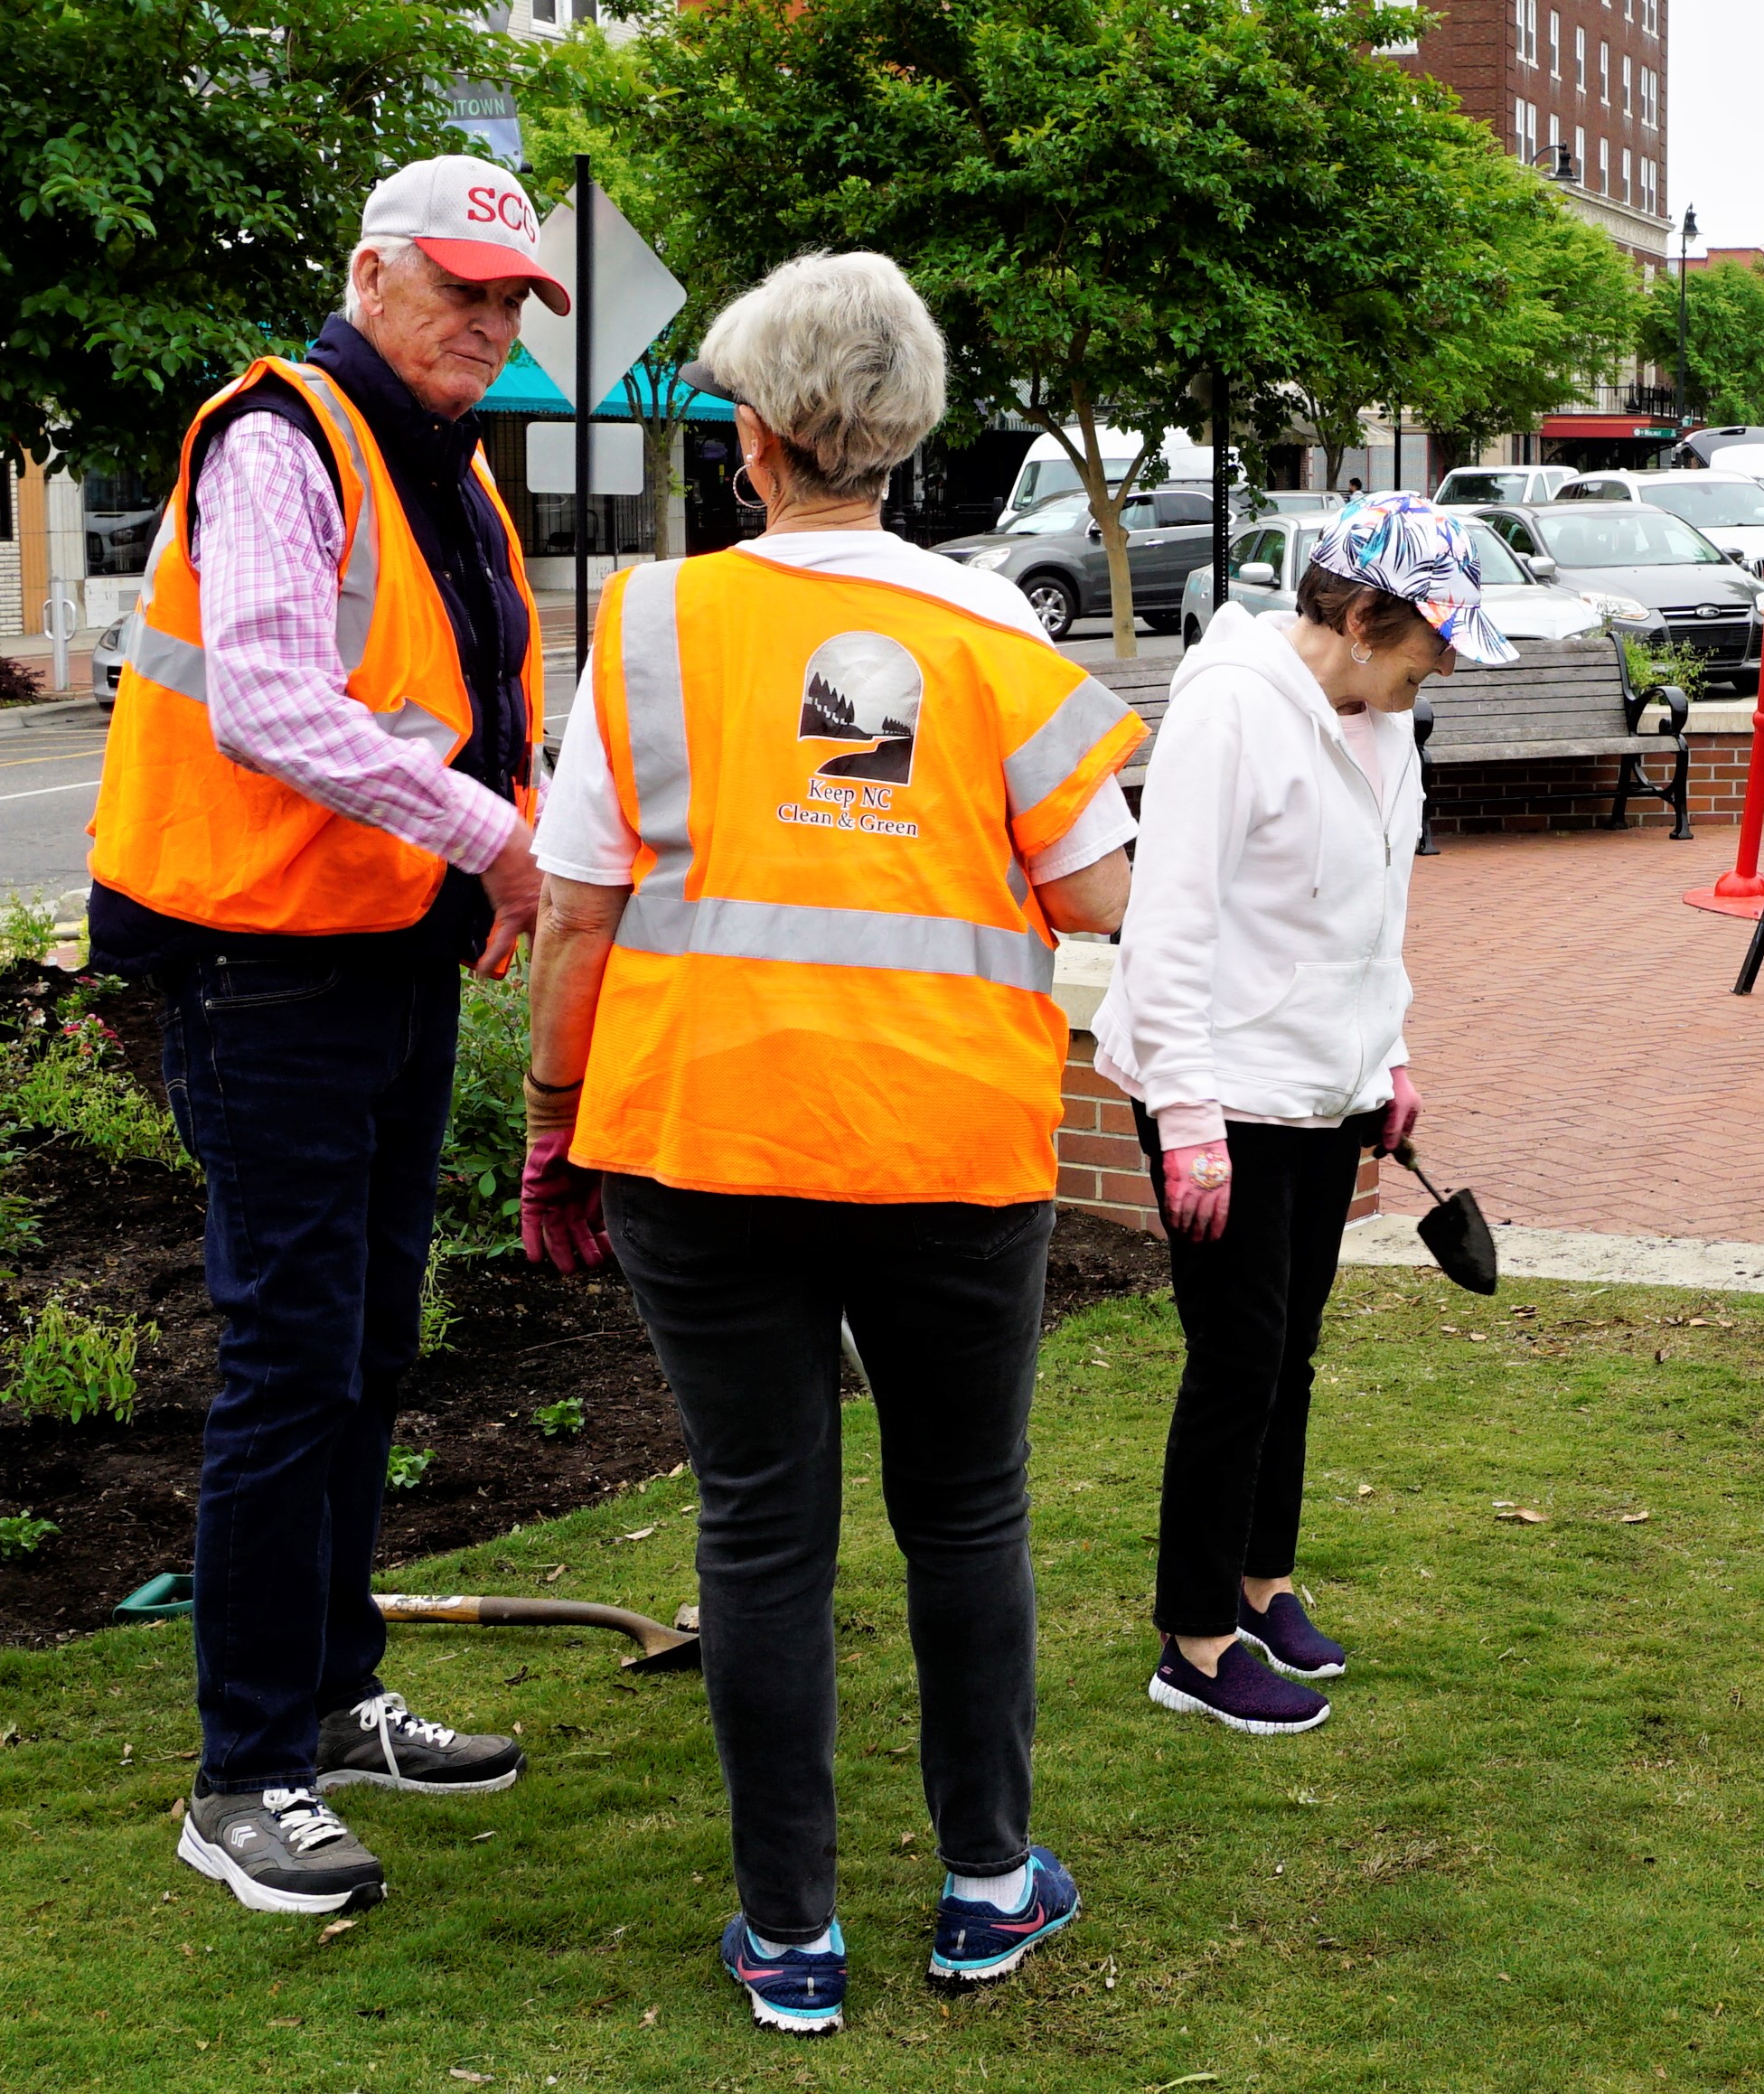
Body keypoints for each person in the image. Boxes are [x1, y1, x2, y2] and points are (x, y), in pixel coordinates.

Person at [512, 250, 1145, 2040]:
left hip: (700, 1145)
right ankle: (982, 1884)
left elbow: (574, 920)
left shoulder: (644, 626)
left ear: (756, 439)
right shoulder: (994, 632)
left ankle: (786, 1930)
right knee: (964, 1517)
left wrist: (557, 1125)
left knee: (761, 1530)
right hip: (947, 1150)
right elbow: (1098, 888)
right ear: (903, 435)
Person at [83, 153, 561, 1921]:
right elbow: (280, 698)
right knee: (290, 1358)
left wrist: (514, 854)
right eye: (463, 289)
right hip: (255, 963)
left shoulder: (439, 464)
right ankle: (242, 1776)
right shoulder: (280, 440)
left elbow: (476, 700)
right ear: (368, 274)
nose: (492, 324)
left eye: (513, 302)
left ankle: (332, 1696)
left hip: (373, 955)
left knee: (361, 1344)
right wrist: (493, 842)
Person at [1094, 495, 1498, 1738]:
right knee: (1236, 1359)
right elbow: (1166, 921)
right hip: (1223, 1090)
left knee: (1291, 1352)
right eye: (1431, 638)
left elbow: (1368, 919)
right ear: (1365, 616)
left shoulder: (1384, 723)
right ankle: (1194, 1639)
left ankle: (1260, 1585)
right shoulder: (1228, 706)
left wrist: (1392, 1055)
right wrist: (1189, 1110)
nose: (1440, 665)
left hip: (1326, 1087)